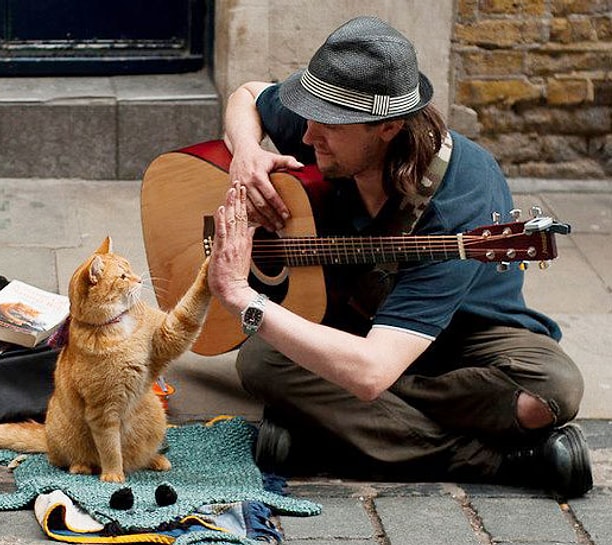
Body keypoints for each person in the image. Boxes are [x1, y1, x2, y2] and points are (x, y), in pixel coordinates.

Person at [205, 16, 592, 498]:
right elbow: (246, 94)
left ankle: (329, 429)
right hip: (351, 319)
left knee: (550, 390)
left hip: (464, 333)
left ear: (388, 126)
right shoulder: (329, 119)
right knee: (264, 360)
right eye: (308, 115)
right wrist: (245, 152)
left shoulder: (461, 199)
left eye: (327, 125)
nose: (306, 138)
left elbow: (371, 374)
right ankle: (497, 461)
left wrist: (241, 296)